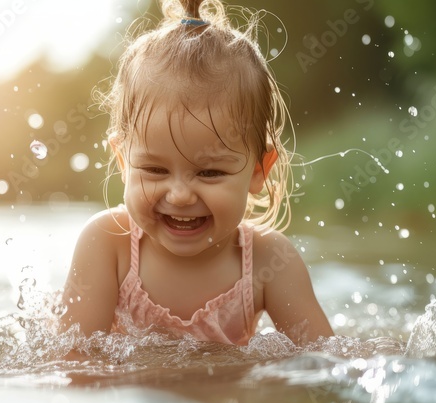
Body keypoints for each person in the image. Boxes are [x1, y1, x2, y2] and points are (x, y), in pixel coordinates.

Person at [60, 0, 333, 349]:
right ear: (123, 161)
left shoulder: (270, 263)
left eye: (208, 172)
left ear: (258, 171)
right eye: (155, 169)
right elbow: (71, 366)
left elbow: (326, 362)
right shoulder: (108, 245)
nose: (180, 195)